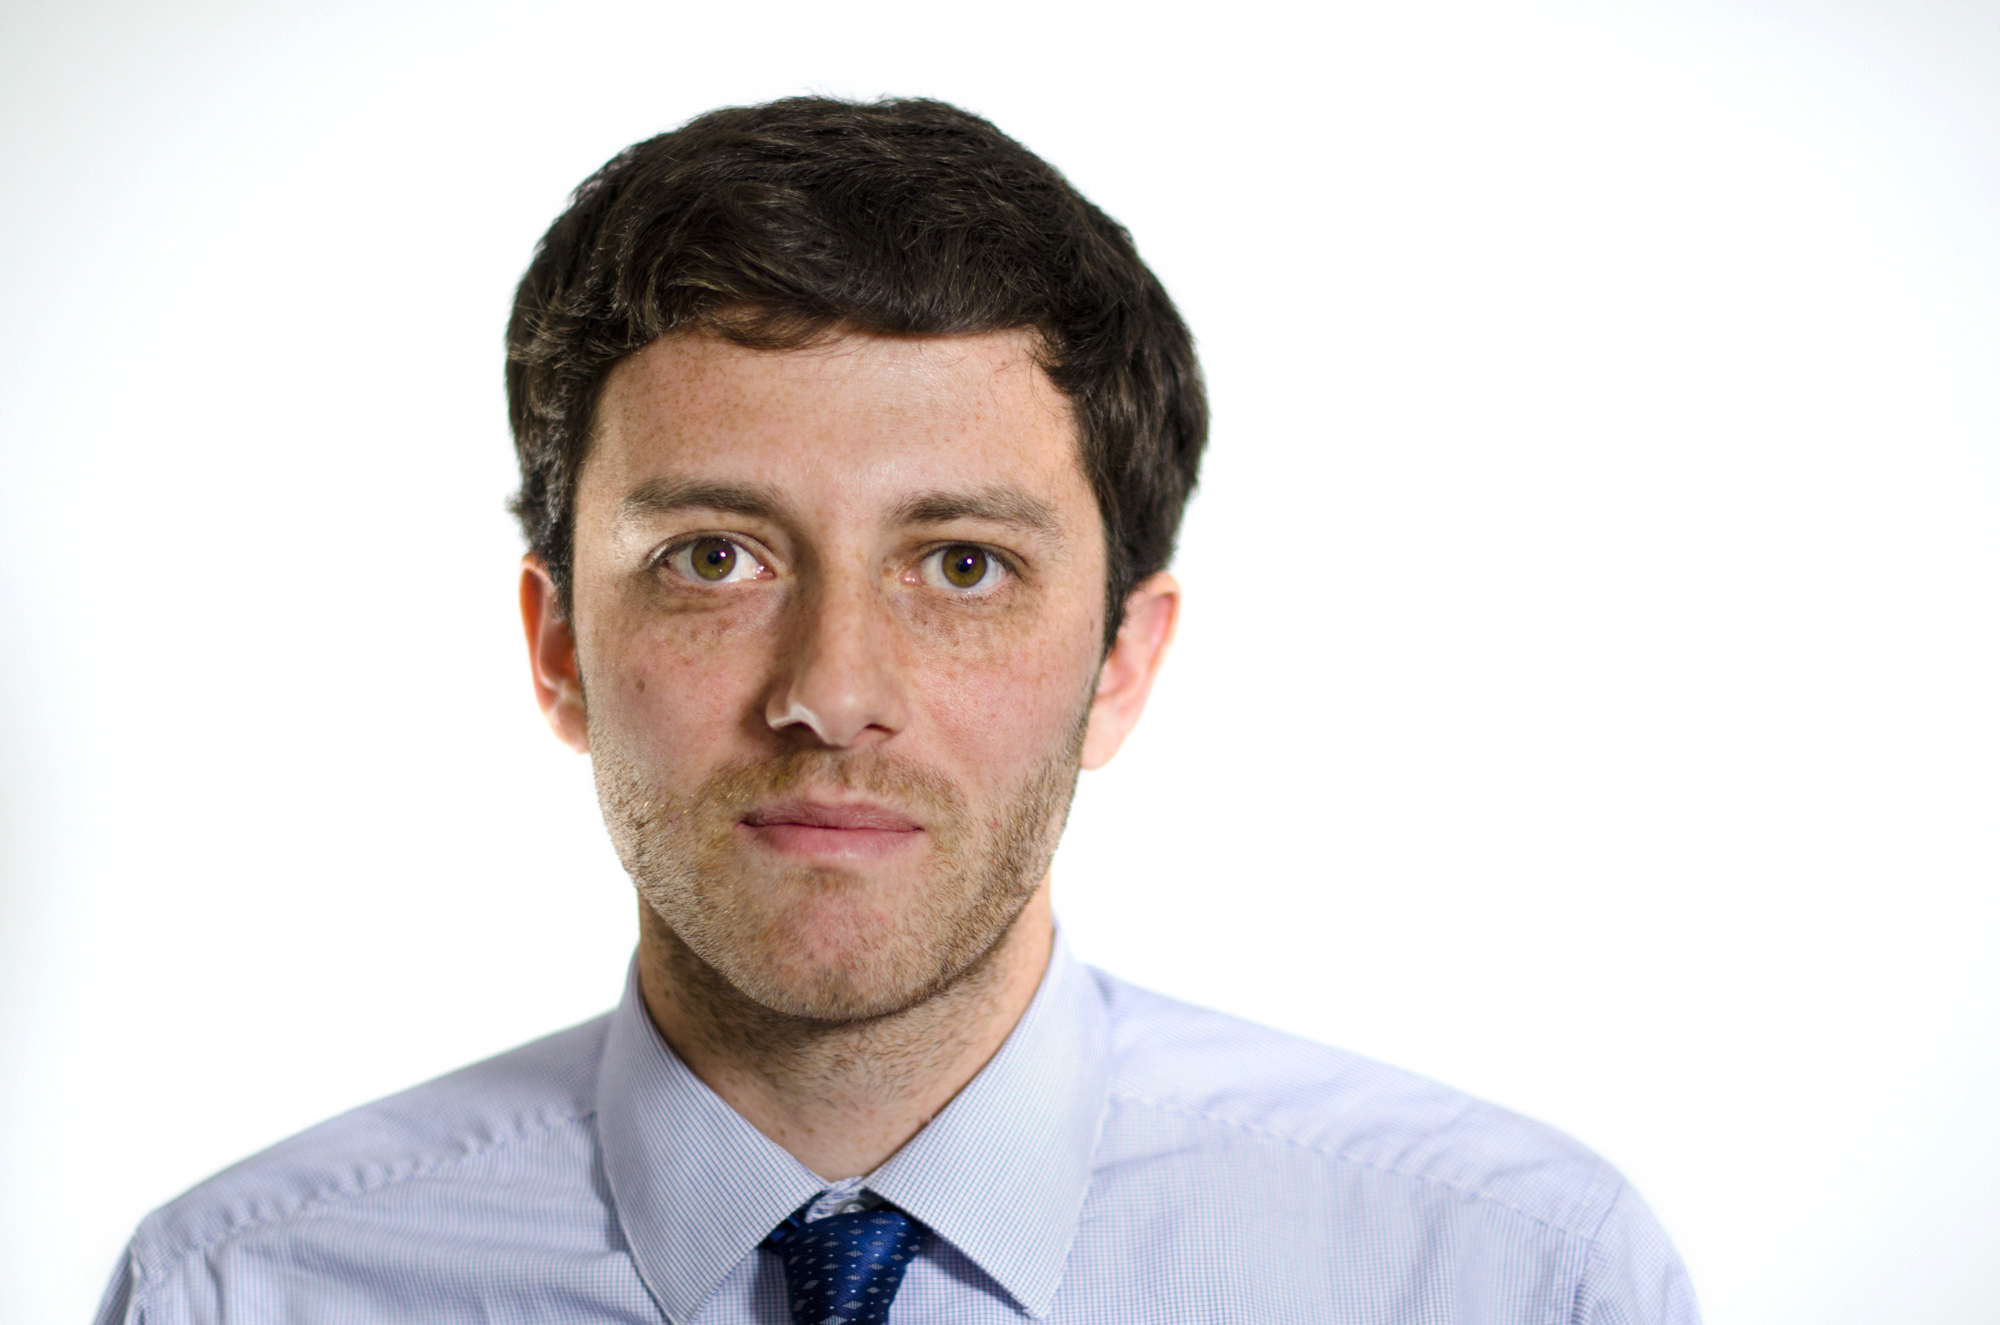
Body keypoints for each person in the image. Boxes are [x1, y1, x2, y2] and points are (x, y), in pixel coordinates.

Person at [93, 96, 1699, 1325]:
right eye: (714, 556)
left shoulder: (1512, 1280)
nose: (832, 694)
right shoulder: (239, 1292)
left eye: (963, 564)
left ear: (1123, 662)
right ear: (561, 644)